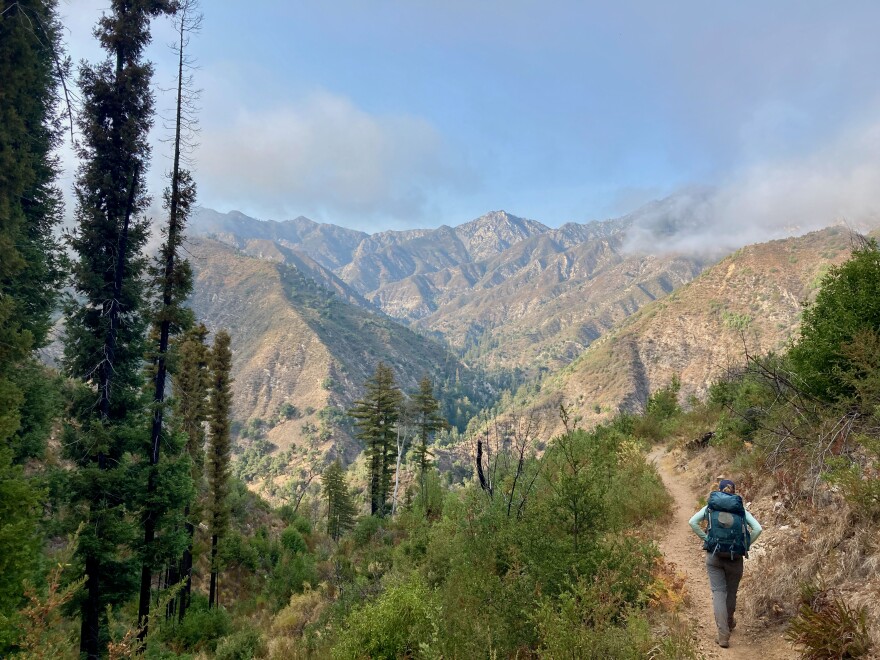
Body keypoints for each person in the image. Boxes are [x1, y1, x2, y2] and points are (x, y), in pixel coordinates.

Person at [689, 479, 762, 649]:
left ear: (719, 491)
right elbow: (758, 529)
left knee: (718, 592)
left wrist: (707, 539)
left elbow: (692, 522)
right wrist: (745, 545)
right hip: (735, 558)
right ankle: (729, 623)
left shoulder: (711, 507)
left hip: (714, 557)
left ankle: (723, 635)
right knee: (731, 592)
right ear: (734, 492)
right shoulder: (740, 509)